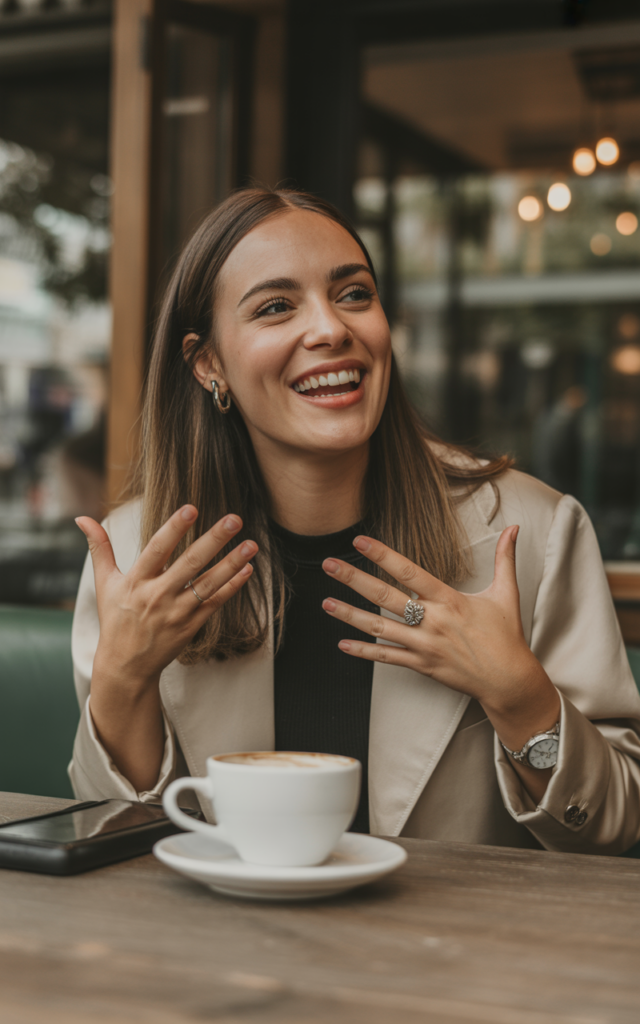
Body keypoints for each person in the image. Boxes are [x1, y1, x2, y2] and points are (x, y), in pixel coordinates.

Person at [70, 188, 640, 853]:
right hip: (223, 951)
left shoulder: (536, 531)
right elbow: (109, 843)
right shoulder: (137, 558)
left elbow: (613, 830)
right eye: (276, 307)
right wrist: (122, 682)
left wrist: (520, 699)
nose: (331, 329)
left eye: (354, 294)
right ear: (208, 364)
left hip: (455, 953)